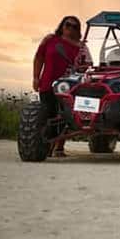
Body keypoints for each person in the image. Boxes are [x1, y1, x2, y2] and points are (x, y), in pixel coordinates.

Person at [33, 16, 84, 157]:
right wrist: (36, 77)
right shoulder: (50, 39)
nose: (70, 28)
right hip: (48, 83)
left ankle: (59, 146)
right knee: (47, 114)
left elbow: (86, 66)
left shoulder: (81, 47)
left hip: (70, 86)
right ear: (62, 25)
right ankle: (45, 144)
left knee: (66, 115)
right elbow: (39, 57)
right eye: (68, 25)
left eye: (75, 26)